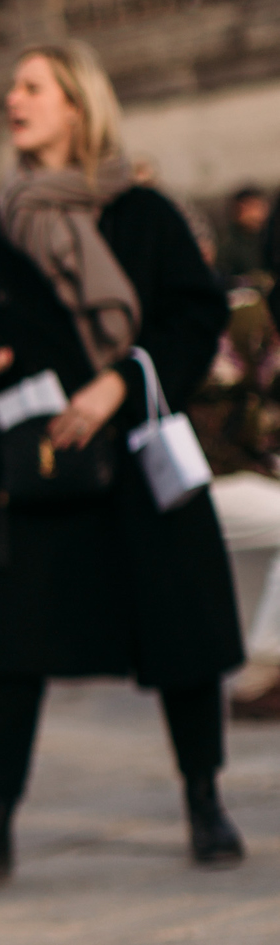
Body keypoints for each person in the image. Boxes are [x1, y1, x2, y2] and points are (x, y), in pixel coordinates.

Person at [0, 40, 245, 888]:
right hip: (37, 466)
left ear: (75, 104)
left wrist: (118, 386)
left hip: (136, 452)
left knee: (181, 635)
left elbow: (193, 316)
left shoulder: (142, 214)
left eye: (31, 86)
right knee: (7, 649)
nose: (12, 99)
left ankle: (204, 801)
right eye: (12, 86)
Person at [188, 235, 280, 721]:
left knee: (259, 555)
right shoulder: (242, 314)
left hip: (227, 470)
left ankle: (254, 670)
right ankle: (263, 670)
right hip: (199, 476)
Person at [217, 185, 275, 288]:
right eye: (248, 208)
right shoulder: (228, 245)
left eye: (257, 207)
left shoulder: (270, 238)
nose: (254, 214)